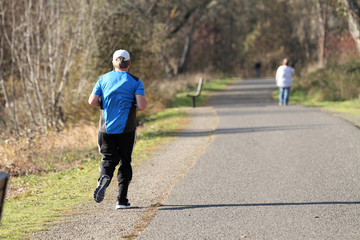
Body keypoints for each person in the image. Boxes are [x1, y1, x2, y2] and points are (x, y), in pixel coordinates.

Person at [88, 49, 147, 209]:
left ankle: (105, 176)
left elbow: (92, 100)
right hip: (127, 130)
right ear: (129, 63)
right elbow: (141, 106)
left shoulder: (102, 79)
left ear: (113, 62)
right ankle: (121, 200)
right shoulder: (135, 81)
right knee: (125, 161)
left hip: (105, 130)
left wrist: (104, 104)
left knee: (108, 159)